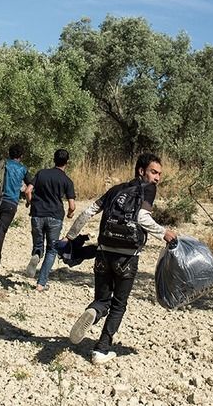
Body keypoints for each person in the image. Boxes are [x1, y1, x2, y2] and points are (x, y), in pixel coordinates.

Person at [66, 152, 177, 364]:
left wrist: (70, 237)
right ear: (141, 171)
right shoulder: (148, 189)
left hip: (103, 252)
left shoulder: (115, 190)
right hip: (127, 258)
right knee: (119, 304)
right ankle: (101, 349)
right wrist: (163, 232)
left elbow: (88, 212)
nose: (157, 178)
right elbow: (142, 217)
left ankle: (93, 311)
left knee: (102, 300)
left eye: (160, 174)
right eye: (154, 172)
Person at [23, 149, 76, 291]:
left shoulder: (41, 173)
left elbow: (28, 191)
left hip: (37, 214)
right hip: (55, 217)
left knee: (38, 244)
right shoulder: (67, 181)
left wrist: (30, 202)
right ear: (67, 162)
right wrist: (70, 214)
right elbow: (72, 205)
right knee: (52, 250)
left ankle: (36, 254)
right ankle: (41, 283)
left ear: (54, 159)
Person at [0, 144, 32, 269]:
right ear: (21, 156)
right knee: (1, 230)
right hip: (11, 202)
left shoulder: (2, 163)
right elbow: (30, 184)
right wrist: (28, 200)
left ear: (9, 153)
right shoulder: (23, 169)